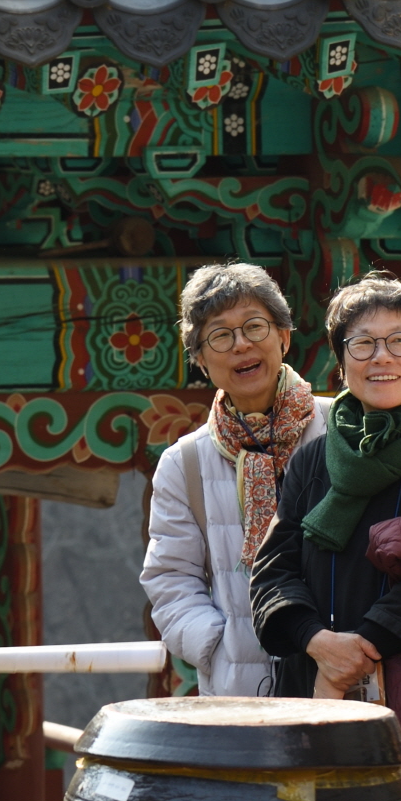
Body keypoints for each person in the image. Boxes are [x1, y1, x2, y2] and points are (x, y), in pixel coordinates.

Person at [249, 274, 401, 702]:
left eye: (399, 341)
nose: (382, 357)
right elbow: (273, 570)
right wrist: (319, 644)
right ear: (341, 365)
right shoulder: (312, 459)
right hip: (311, 683)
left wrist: (358, 651)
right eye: (363, 344)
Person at [139, 263, 328, 696]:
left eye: (254, 326)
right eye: (220, 335)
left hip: (340, 664)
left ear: (283, 335)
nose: (241, 344)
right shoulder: (184, 463)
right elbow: (170, 579)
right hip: (241, 687)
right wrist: (217, 645)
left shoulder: (339, 429)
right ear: (201, 360)